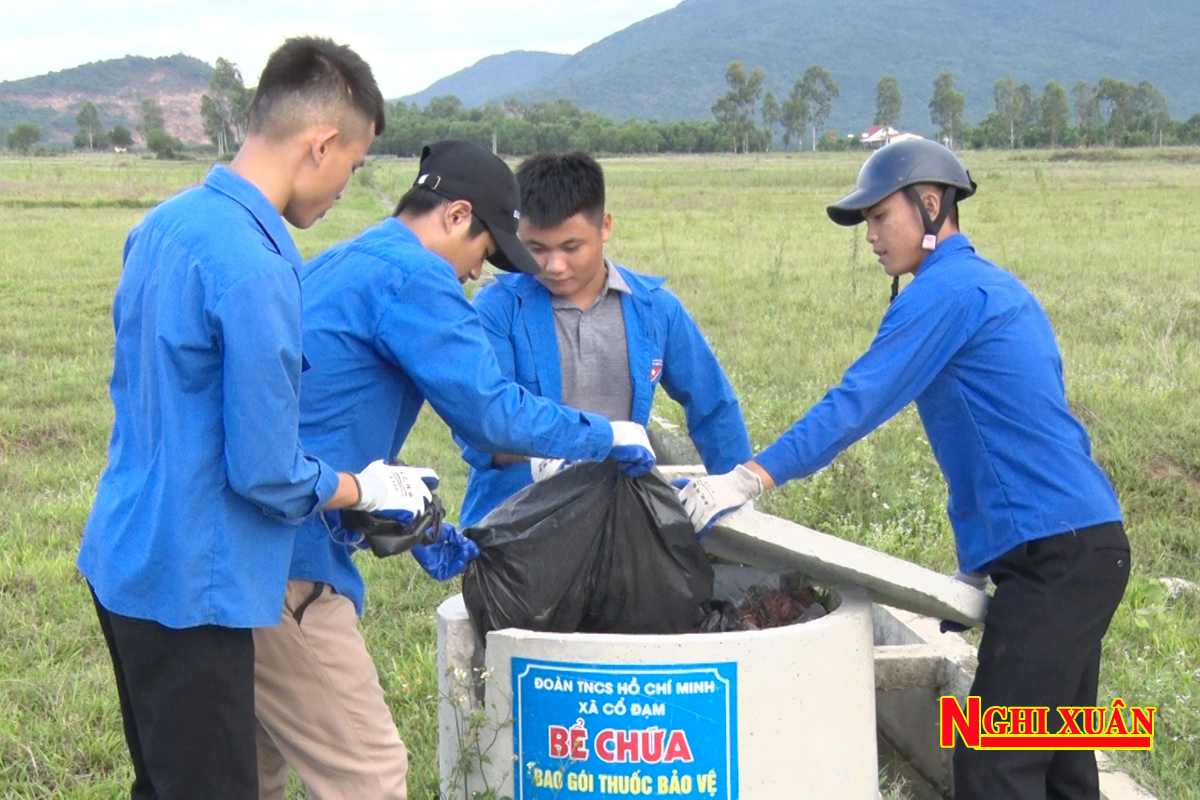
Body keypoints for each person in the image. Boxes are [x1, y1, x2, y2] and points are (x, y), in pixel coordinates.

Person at [678, 138, 1129, 799]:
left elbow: (858, 402)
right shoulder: (991, 287)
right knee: (1059, 762)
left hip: (1056, 560)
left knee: (995, 763)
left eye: (880, 216)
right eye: (865, 222)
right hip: (1078, 545)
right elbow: (1004, 433)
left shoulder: (945, 293)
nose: (870, 235)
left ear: (929, 203)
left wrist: (752, 475)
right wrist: (979, 558)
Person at [75, 37, 434, 800]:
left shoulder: (163, 226)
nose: (346, 186)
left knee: (167, 783)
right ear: (322, 144)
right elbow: (266, 472)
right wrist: (364, 490)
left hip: (122, 554)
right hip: (191, 585)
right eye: (356, 165)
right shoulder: (256, 267)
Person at [252, 140, 656, 799]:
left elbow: (317, 417)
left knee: (253, 776)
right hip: (290, 571)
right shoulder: (414, 275)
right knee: (370, 774)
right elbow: (491, 412)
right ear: (455, 216)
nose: (477, 274)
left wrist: (401, 506)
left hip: (245, 551)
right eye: (485, 252)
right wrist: (605, 432)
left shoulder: (343, 262)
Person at [458, 151, 752, 528]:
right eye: (536, 249)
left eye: (571, 247)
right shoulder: (497, 309)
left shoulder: (654, 309)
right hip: (513, 524)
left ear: (605, 227)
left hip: (614, 518)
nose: (554, 266)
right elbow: (482, 426)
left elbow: (712, 407)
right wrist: (554, 451)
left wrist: (736, 491)